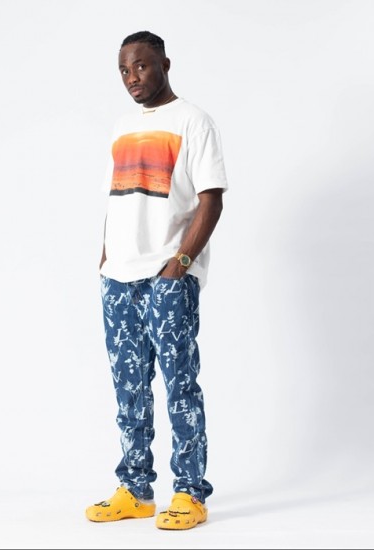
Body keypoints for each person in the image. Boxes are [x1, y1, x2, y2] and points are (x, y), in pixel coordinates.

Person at [85, 30, 228, 531]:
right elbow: (117, 198)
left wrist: (180, 264)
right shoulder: (122, 127)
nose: (132, 78)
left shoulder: (194, 121)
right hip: (118, 278)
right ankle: (135, 489)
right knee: (129, 388)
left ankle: (189, 493)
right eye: (124, 70)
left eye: (142, 66)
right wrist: (106, 258)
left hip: (167, 274)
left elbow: (211, 198)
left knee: (179, 384)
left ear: (165, 64)